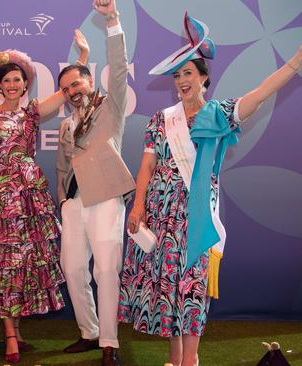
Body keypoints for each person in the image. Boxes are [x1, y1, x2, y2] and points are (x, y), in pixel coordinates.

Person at [118, 12, 302, 366]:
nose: (181, 80)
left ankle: (191, 359)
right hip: (160, 213)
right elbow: (146, 165)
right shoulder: (162, 119)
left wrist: (294, 62)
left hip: (198, 215)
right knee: (168, 287)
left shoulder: (219, 114)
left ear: (203, 78)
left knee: (192, 289)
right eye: (177, 74)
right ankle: (174, 358)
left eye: (188, 73)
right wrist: (138, 205)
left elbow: (260, 93)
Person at [0, 33, 87, 363]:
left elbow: (69, 87)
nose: (12, 84)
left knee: (24, 263)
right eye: (6, 80)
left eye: (17, 79)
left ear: (25, 82)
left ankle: (17, 329)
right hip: (1, 195)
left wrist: (83, 54)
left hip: (30, 195)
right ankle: (10, 334)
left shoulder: (33, 112)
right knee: (4, 263)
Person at [55, 1, 133, 365]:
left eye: (77, 82)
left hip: (105, 200)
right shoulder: (66, 125)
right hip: (73, 205)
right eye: (66, 87)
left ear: (90, 79)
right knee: (72, 269)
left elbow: (118, 68)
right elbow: (61, 169)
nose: (72, 89)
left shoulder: (109, 106)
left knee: (105, 270)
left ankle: (109, 342)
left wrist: (113, 21)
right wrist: (63, 203)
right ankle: (88, 332)